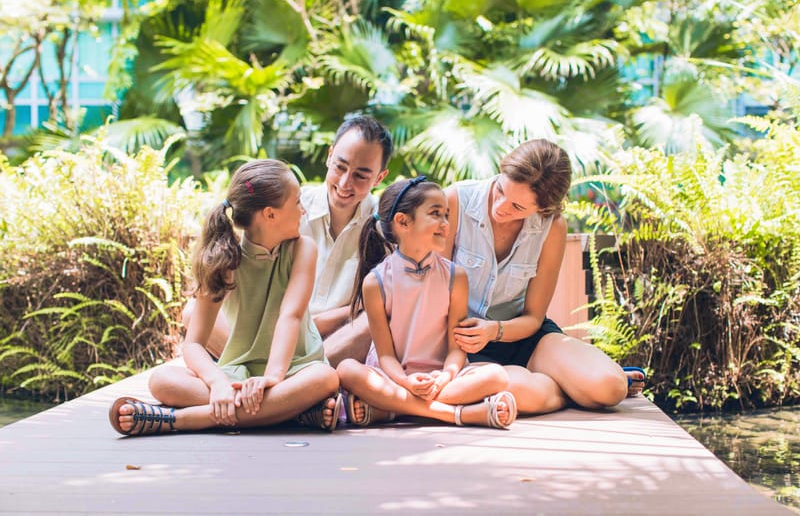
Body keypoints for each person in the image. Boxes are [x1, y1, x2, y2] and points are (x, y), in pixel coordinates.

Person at [109, 159, 341, 436]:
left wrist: (272, 379)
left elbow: (289, 316)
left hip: (292, 369)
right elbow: (193, 344)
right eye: (297, 202)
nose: (303, 211)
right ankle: (292, 412)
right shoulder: (224, 259)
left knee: (325, 378)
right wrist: (217, 382)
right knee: (162, 381)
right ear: (270, 215)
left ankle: (185, 420)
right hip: (237, 375)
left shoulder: (303, 249)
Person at [442, 139, 644, 416]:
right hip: (458, 344)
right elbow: (430, 294)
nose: (500, 207)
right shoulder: (454, 201)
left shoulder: (552, 227)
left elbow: (533, 318)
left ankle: (573, 382)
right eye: (500, 190)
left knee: (610, 388)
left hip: (521, 337)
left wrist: (494, 330)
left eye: (517, 207)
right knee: (524, 392)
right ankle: (567, 387)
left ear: (544, 208)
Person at [197, 116, 391, 367]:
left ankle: (281, 379)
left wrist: (325, 320)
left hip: (335, 339)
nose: (345, 183)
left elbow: (384, 304)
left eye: (361, 176)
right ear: (330, 156)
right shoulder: (288, 207)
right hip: (268, 333)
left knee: (371, 322)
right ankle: (287, 385)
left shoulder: (383, 226)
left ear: (379, 177)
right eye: (340, 167)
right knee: (194, 314)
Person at [337, 177, 518, 429]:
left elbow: (457, 349)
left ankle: (391, 410)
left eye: (446, 215)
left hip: (442, 378)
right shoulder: (375, 282)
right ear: (402, 222)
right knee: (346, 370)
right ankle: (458, 414)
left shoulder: (456, 276)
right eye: (435, 214)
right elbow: (385, 355)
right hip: (394, 377)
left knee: (496, 375)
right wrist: (406, 383)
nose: (445, 224)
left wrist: (445, 377)